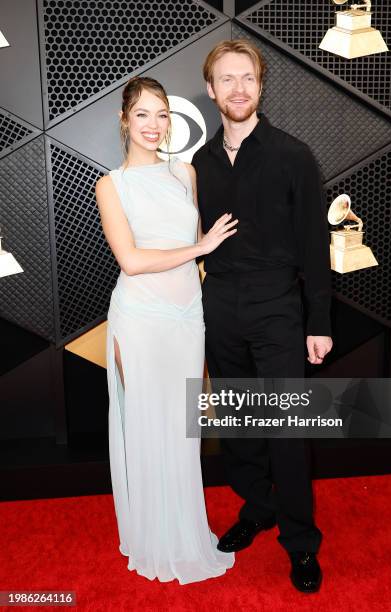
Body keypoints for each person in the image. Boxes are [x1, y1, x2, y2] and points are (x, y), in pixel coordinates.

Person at [192, 40, 333, 593]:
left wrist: (317, 321)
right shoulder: (200, 163)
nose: (238, 88)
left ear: (260, 84)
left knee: (286, 429)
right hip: (220, 304)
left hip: (278, 308)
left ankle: (301, 542)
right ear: (210, 90)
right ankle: (258, 507)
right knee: (238, 422)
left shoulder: (293, 155)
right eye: (226, 79)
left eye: (247, 77)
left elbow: (314, 244)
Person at [95, 76, 237, 584]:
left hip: (186, 318)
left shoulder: (185, 172)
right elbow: (131, 261)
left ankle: (184, 533)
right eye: (143, 115)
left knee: (182, 431)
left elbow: (192, 239)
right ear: (124, 120)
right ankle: (153, 537)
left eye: (162, 115)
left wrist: (207, 251)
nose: (154, 125)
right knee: (149, 425)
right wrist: (200, 249)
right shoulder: (111, 185)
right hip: (142, 318)